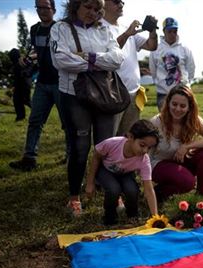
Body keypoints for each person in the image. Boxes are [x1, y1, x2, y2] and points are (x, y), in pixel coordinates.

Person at [50, 0, 124, 216]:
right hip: (74, 96)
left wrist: (88, 59)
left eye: (96, 9)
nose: (92, 13)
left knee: (107, 147)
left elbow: (117, 59)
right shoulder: (61, 28)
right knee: (80, 148)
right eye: (87, 7)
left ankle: (113, 192)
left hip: (103, 96)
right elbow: (61, 60)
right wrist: (101, 62)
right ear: (75, 6)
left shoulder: (105, 30)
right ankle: (74, 197)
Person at [10, 0, 71, 171]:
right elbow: (38, 51)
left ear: (54, 9)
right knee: (35, 121)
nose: (42, 11)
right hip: (42, 83)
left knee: (67, 122)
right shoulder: (35, 29)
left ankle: (71, 156)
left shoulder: (61, 28)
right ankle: (29, 158)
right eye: (39, 7)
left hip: (61, 82)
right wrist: (27, 57)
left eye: (46, 7)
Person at [150, 85, 203, 201]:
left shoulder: (193, 119)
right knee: (187, 182)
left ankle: (201, 195)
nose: (178, 109)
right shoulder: (156, 122)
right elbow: (146, 154)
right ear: (168, 103)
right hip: (159, 163)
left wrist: (187, 146)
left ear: (189, 107)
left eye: (183, 106)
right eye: (174, 104)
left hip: (180, 160)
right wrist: (145, 179)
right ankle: (158, 193)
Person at [86, 119, 160, 225]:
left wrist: (155, 217)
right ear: (130, 137)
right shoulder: (112, 143)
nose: (145, 151)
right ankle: (110, 218)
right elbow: (96, 156)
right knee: (113, 189)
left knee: (132, 190)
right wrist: (90, 182)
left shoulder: (144, 159)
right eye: (142, 145)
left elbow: (148, 189)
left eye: (149, 148)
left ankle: (132, 216)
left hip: (126, 174)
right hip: (106, 170)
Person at [101, 0, 158, 136]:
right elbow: (108, 54)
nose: (120, 4)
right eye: (116, 1)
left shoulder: (126, 27)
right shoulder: (98, 28)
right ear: (103, 3)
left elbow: (151, 46)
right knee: (109, 139)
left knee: (129, 138)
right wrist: (127, 34)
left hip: (133, 93)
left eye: (122, 2)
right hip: (112, 94)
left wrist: (153, 31)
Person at [149, 17, 195, 111]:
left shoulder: (185, 49)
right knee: (165, 121)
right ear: (164, 31)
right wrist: (159, 83)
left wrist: (187, 83)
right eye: (169, 31)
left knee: (184, 122)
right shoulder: (156, 49)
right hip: (163, 93)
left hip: (183, 93)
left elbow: (191, 67)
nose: (172, 34)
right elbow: (153, 69)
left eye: (175, 31)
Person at [8, 48, 33, 122]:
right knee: (17, 101)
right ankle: (20, 117)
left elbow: (29, 69)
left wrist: (25, 73)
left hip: (25, 84)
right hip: (19, 85)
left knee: (26, 100)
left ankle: (38, 112)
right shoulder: (15, 64)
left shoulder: (24, 61)